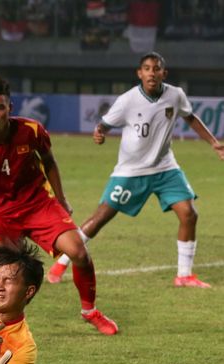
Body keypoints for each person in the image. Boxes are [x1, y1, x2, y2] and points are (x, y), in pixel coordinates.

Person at [0, 76, 118, 335]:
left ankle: (90, 311)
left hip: (39, 204)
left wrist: (61, 200)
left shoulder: (31, 130)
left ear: (10, 107)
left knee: (78, 252)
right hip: (0, 213)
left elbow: (49, 161)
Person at [48, 52, 224, 288]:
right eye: (147, 68)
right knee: (99, 219)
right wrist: (99, 133)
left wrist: (213, 142)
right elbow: (104, 124)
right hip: (131, 172)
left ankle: (184, 276)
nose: (152, 72)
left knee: (189, 214)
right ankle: (62, 261)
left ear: (164, 73)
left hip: (165, 167)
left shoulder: (175, 95)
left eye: (157, 68)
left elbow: (190, 118)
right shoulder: (127, 100)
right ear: (139, 73)